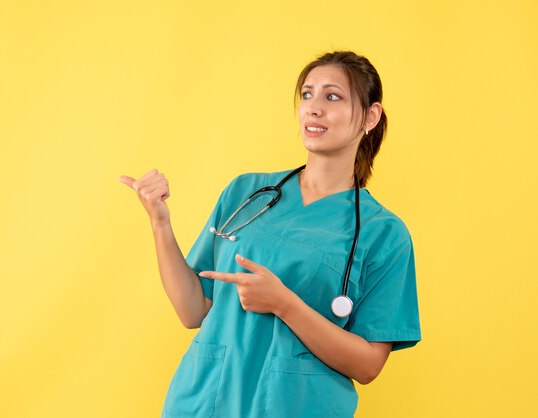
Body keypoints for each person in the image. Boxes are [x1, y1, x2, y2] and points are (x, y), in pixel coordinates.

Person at [119, 50, 421, 418]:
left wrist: (284, 303)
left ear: (370, 117)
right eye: (307, 94)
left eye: (332, 96)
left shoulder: (383, 234)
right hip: (203, 401)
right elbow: (192, 309)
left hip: (294, 406)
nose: (314, 107)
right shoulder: (246, 193)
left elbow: (369, 365)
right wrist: (160, 223)